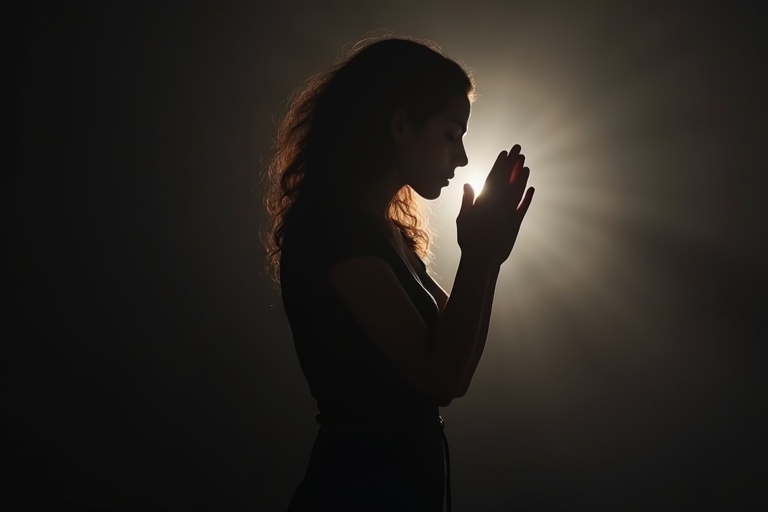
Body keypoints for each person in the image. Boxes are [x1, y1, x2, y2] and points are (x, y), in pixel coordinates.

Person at [263, 34, 534, 512]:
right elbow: (439, 378)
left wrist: (489, 257)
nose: (463, 156)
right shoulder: (331, 230)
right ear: (400, 125)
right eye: (452, 133)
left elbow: (458, 368)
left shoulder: (389, 235)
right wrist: (479, 256)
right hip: (356, 492)